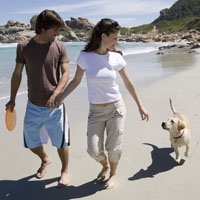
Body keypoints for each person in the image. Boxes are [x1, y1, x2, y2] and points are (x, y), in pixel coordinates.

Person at [54, 18, 149, 189]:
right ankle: (105, 165)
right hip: (95, 111)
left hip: (116, 109)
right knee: (93, 150)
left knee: (113, 147)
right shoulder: (85, 56)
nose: (117, 41)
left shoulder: (116, 58)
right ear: (103, 36)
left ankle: (112, 174)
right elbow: (75, 81)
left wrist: (140, 105)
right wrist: (61, 97)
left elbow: (128, 83)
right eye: (115, 38)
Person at [5, 10, 70, 187]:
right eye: (55, 30)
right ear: (42, 29)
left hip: (55, 107)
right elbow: (17, 74)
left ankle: (64, 170)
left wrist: (56, 94)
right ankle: (45, 158)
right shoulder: (24, 47)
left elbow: (65, 74)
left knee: (61, 142)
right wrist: (12, 99)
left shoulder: (60, 47)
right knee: (31, 142)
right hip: (33, 105)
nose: (58, 34)